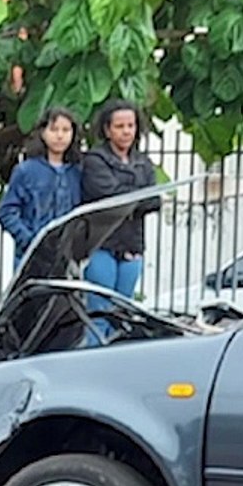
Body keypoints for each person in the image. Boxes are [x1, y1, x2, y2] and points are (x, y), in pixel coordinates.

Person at [80, 98, 160, 341]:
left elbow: (153, 200)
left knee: (122, 313)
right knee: (100, 312)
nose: (126, 131)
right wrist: (135, 197)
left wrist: (130, 198)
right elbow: (108, 195)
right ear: (107, 129)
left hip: (132, 246)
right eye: (120, 126)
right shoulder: (95, 160)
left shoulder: (143, 162)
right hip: (101, 245)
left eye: (131, 125)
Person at [0, 106, 84, 269]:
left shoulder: (78, 172)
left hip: (65, 258)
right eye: (54, 129)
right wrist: (29, 240)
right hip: (29, 258)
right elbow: (6, 212)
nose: (60, 135)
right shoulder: (26, 170)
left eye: (66, 130)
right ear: (43, 132)